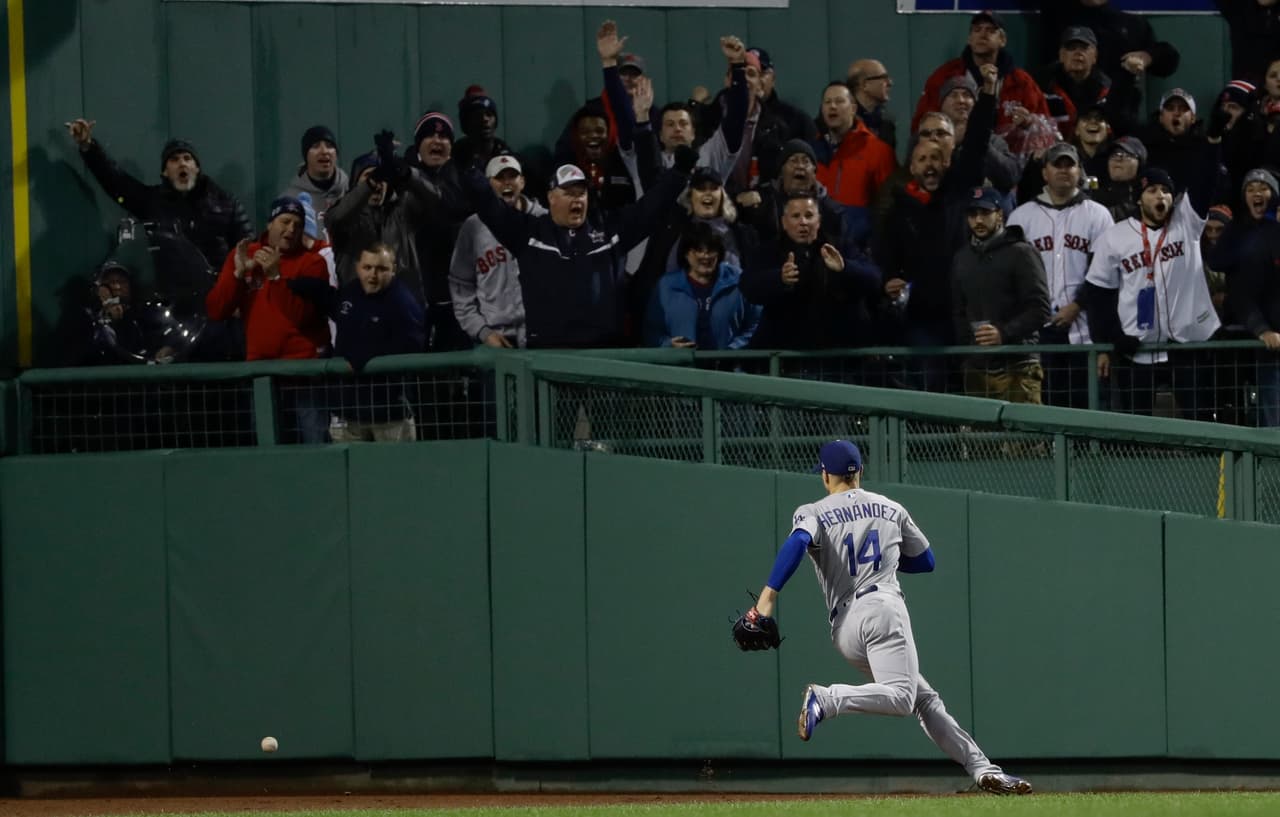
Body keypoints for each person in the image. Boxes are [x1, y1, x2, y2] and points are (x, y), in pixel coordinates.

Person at [736, 439, 1033, 797]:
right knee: (903, 698)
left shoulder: (813, 510)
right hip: (883, 610)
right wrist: (887, 557)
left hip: (844, 629)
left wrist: (765, 601)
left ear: (825, 475)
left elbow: (797, 543)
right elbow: (926, 561)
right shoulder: (890, 508)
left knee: (922, 699)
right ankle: (827, 699)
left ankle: (983, 769)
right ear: (860, 471)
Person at [466, 149, 697, 349]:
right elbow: (491, 208)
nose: (577, 199)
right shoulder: (528, 232)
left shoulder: (609, 230)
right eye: (568, 193)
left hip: (604, 354)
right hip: (548, 357)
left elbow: (649, 209)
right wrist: (469, 171)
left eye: (581, 193)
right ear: (551, 198)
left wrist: (679, 173)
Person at [65, 119, 253, 308]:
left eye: (188, 158)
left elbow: (247, 250)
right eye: (174, 159)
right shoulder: (153, 202)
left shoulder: (226, 204)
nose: (182, 164)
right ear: (164, 172)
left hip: (219, 303)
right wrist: (88, 147)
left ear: (197, 168)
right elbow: (116, 181)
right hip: (173, 307)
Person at [1083, 169, 1221, 419]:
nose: (1161, 196)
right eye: (1153, 191)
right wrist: (1113, 337)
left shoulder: (1186, 222)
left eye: (1166, 191)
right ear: (1139, 198)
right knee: (1137, 425)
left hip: (1187, 343)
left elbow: (1205, 182)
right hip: (1137, 348)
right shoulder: (1114, 237)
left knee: (1200, 420)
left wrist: (1212, 141)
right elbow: (1098, 295)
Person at [1008, 143, 1114, 408]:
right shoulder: (1022, 217)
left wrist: (1077, 305)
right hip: (1035, 329)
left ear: (1079, 171)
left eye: (1070, 165)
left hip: (1086, 329)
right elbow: (1011, 275)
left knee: (1086, 407)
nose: (1064, 170)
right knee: (1045, 406)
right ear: (1045, 172)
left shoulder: (1098, 215)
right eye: (1057, 165)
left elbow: (1106, 271)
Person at [288, 242, 425, 442]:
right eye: (367, 267)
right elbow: (330, 300)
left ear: (393, 270)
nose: (373, 275)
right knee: (349, 471)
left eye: (381, 269)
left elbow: (413, 345)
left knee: (396, 471)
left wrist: (363, 356)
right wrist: (286, 281)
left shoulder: (403, 302)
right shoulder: (351, 292)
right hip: (349, 411)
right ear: (357, 267)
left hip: (389, 413)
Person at [951, 187, 1052, 404]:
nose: (978, 220)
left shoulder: (1022, 252)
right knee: (981, 438)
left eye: (985, 213)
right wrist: (968, 349)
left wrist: (1003, 333)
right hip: (978, 364)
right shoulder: (962, 258)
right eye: (973, 214)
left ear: (1000, 214)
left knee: (1024, 436)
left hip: (1019, 360)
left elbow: (1041, 309)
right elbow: (959, 310)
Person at [449, 155, 546, 348]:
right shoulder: (473, 227)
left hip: (541, 334)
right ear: (487, 185)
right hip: (496, 337)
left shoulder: (545, 220)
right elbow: (460, 287)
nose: (507, 183)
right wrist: (483, 332)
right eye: (500, 178)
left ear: (523, 181)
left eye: (512, 176)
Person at [911, 11, 1050, 137]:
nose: (983, 35)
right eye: (977, 30)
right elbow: (921, 124)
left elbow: (1046, 129)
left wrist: (1030, 122)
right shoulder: (946, 76)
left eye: (990, 30)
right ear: (969, 39)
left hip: (1009, 158)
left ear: (1003, 40)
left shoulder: (1021, 81)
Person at [643, 222, 761, 350]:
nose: (705, 256)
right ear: (686, 253)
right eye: (698, 250)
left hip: (727, 368)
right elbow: (651, 332)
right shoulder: (665, 286)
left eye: (711, 250)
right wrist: (668, 345)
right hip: (681, 368)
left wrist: (733, 350)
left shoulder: (739, 280)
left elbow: (758, 324)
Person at [813, 81, 897, 246]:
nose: (832, 106)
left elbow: (889, 207)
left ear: (853, 108)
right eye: (827, 102)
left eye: (839, 101)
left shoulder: (878, 151)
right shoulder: (811, 153)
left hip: (861, 247)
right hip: (819, 245)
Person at [1234, 202, 1280, 426]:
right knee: (1274, 425)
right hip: (1274, 350)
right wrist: (1263, 330)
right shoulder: (1261, 246)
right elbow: (1244, 297)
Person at [283, 125, 349, 236]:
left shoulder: (351, 191)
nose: (324, 151)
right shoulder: (291, 199)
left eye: (329, 146)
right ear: (306, 156)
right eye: (315, 146)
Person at [847, 59, 896, 150]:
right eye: (883, 78)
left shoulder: (887, 123)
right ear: (864, 84)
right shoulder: (843, 122)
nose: (890, 83)